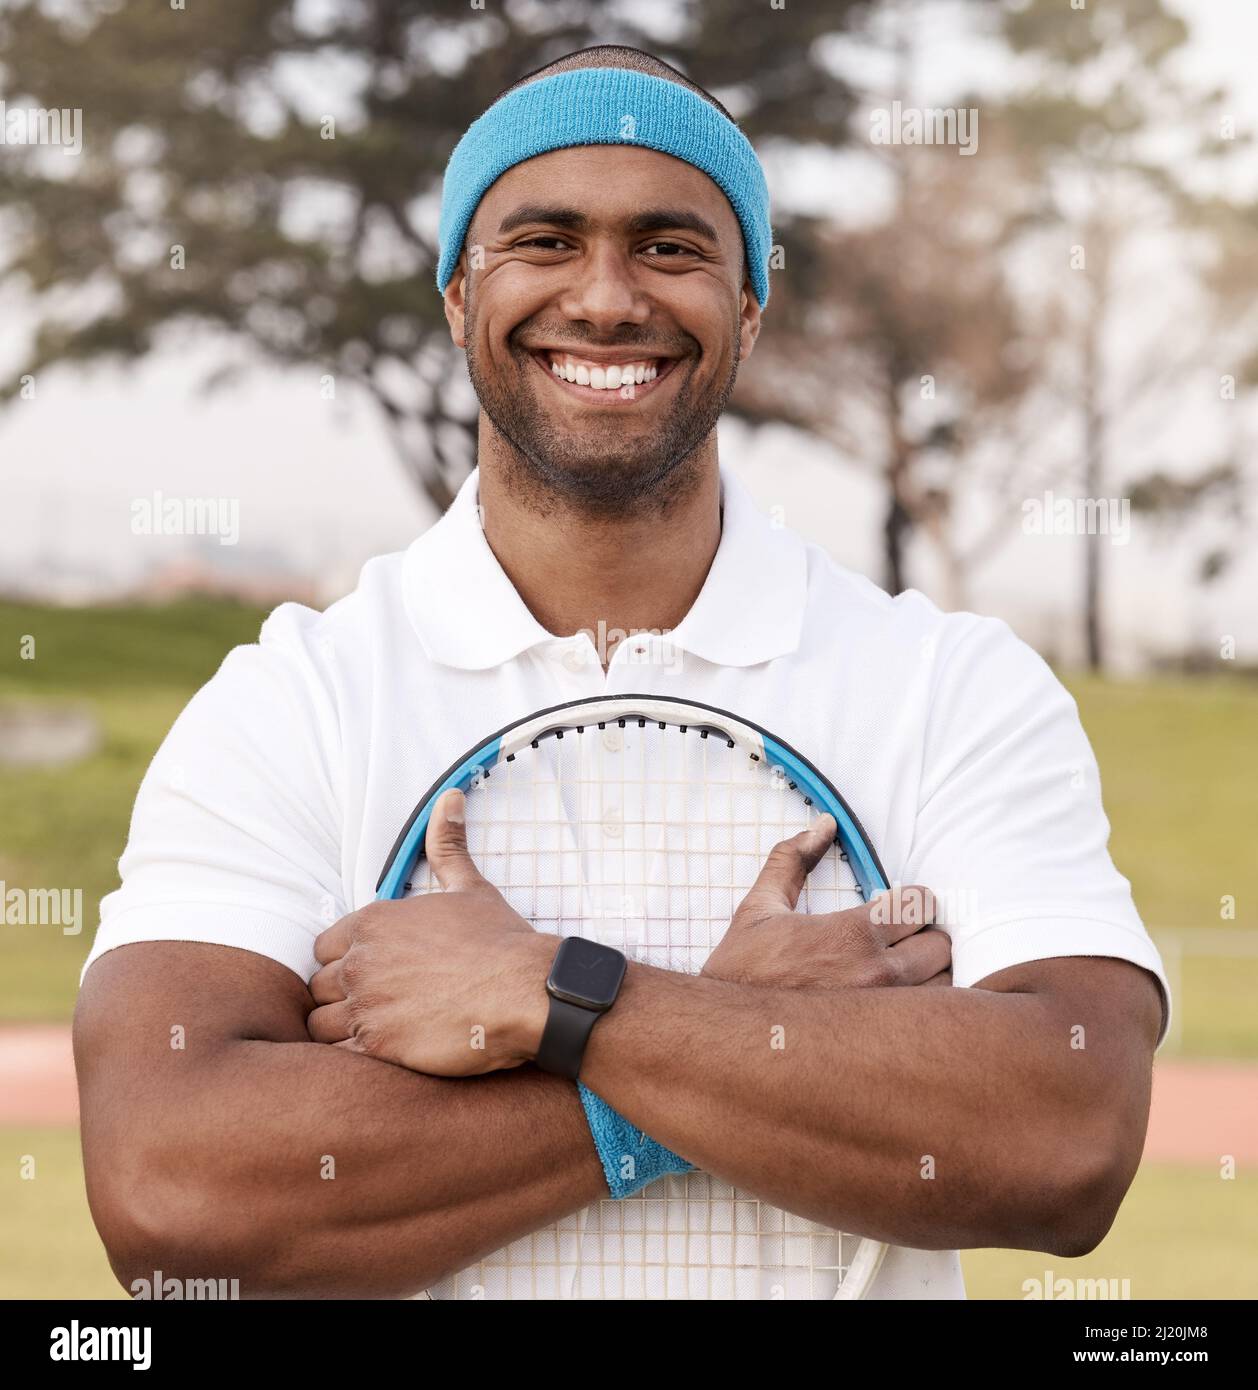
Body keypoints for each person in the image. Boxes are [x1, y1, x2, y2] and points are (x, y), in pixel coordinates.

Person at [75, 45, 1167, 1300]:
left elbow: (1065, 1137)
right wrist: (715, 1024)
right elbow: (171, 1190)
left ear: (749, 307)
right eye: (543, 240)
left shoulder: (949, 685)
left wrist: (549, 996)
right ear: (453, 294)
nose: (604, 299)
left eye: (669, 246)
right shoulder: (291, 703)